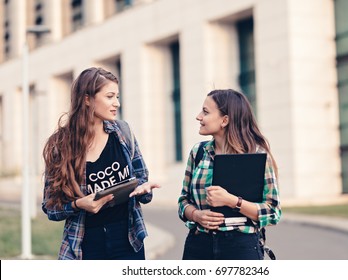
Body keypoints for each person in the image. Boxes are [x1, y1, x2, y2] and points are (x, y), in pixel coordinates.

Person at [42, 67, 160, 260]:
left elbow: (141, 179)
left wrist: (144, 190)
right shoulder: (61, 145)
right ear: (87, 99)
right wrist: (79, 204)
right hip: (86, 243)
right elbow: (50, 207)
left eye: (117, 96)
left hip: (129, 240)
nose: (117, 103)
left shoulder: (123, 132)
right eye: (110, 97)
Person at [178, 89, 281, 260]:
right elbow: (183, 202)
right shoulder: (198, 152)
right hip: (198, 246)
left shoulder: (257, 156)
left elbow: (272, 212)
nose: (198, 117)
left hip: (240, 248)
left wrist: (232, 201)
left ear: (225, 120)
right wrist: (196, 215)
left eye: (205, 112)